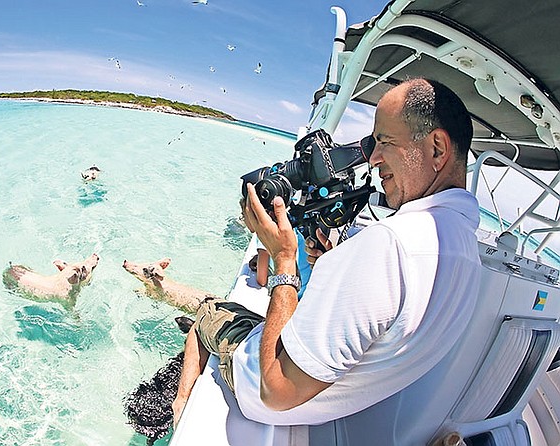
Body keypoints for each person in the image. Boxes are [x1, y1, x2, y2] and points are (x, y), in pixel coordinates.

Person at [172, 78, 481, 430]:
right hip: (334, 405)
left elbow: (277, 391)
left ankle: (180, 413)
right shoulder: (465, 248)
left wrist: (284, 258)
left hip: (261, 389)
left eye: (384, 142)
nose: (375, 159)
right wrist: (332, 265)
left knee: (210, 312)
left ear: (437, 149)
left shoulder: (391, 243)